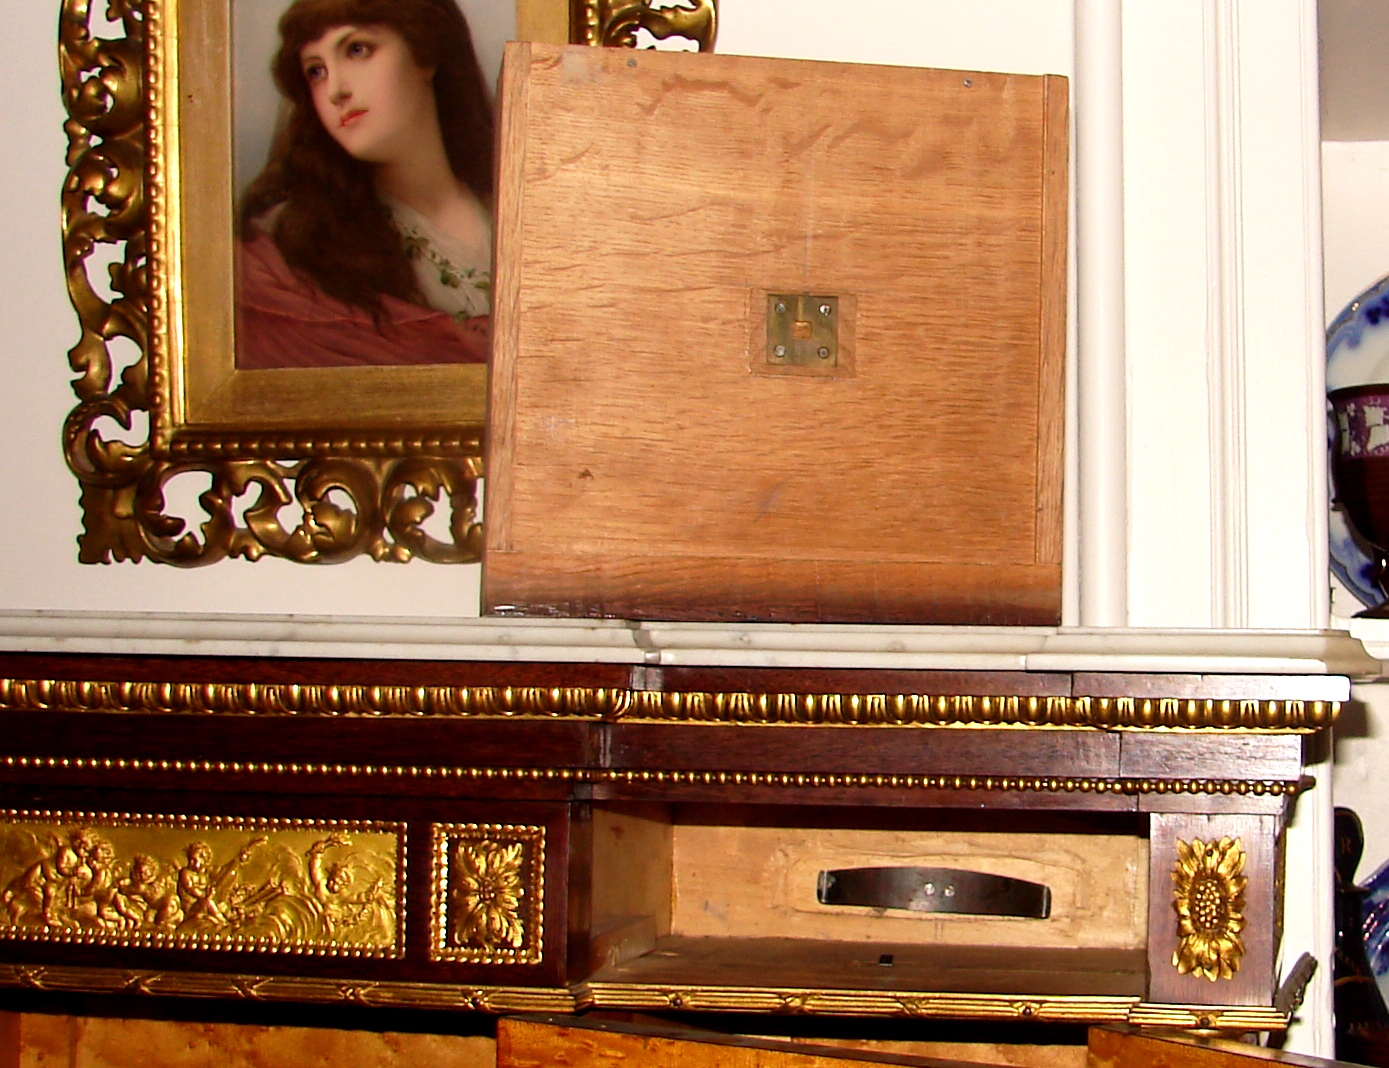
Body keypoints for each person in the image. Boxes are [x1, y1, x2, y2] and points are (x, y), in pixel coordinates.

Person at [236, 0, 494, 369]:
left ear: (425, 55)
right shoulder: (292, 251)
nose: (335, 90)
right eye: (316, 71)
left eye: (357, 50)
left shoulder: (514, 204)